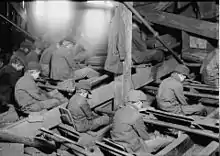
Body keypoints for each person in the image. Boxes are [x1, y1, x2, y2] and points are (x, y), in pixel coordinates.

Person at [111, 90, 173, 155]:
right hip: (132, 147)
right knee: (164, 140)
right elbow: (144, 136)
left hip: (117, 141)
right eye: (142, 103)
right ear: (139, 102)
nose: (142, 105)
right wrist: (154, 136)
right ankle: (173, 140)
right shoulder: (136, 116)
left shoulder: (119, 111)